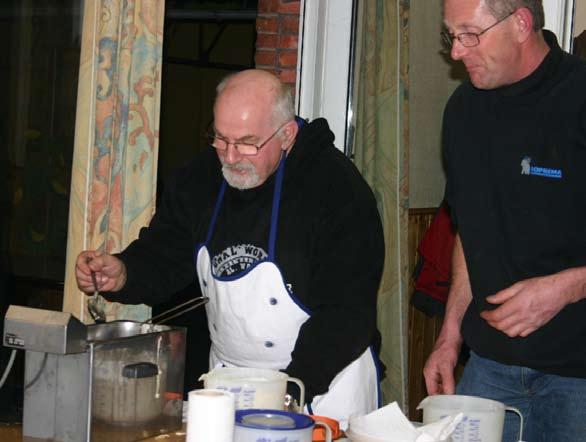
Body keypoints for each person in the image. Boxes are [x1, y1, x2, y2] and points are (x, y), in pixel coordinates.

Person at [75, 69, 384, 428]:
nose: (231, 157)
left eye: (247, 143)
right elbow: (167, 252)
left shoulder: (337, 190)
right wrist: (125, 271)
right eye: (221, 139)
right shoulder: (201, 177)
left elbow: (345, 314)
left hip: (325, 386)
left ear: (287, 135)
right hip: (231, 382)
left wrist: (288, 396)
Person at [423, 0, 586, 440]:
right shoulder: (462, 113)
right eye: (450, 36)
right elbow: (470, 234)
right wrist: (449, 336)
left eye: (470, 35)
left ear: (520, 23)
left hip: (578, 379)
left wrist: (565, 288)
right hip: (489, 368)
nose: (457, 52)